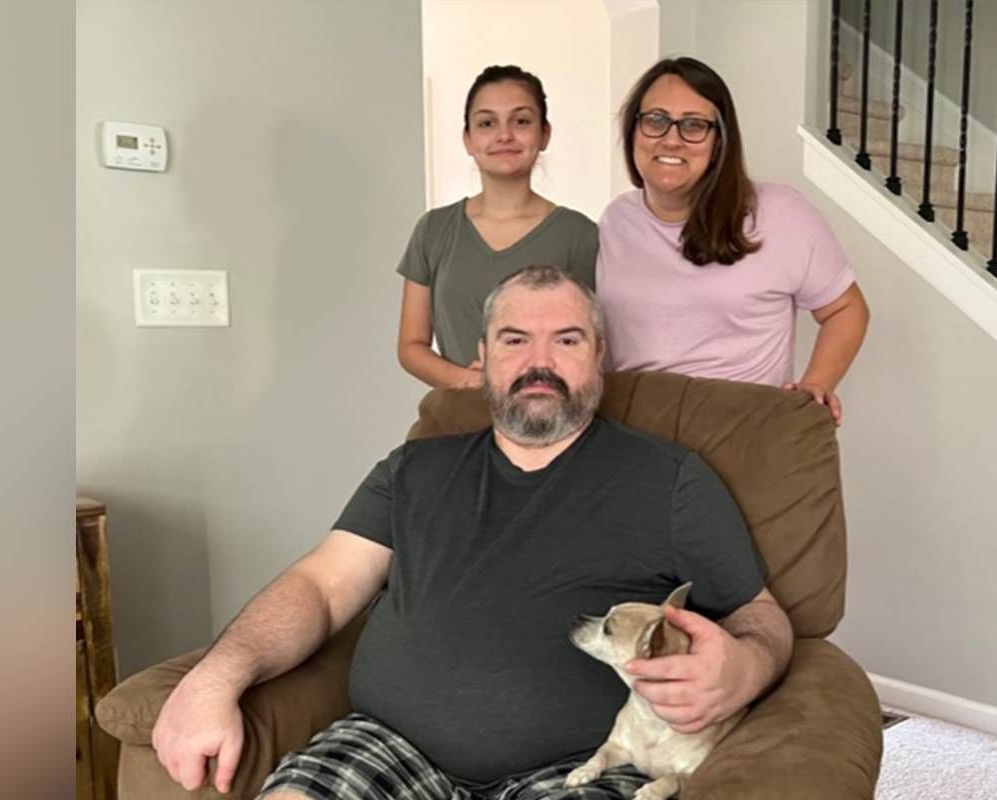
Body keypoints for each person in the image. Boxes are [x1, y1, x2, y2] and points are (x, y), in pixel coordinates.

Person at [152, 265, 794, 799]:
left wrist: (745, 668)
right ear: (482, 357)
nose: (538, 363)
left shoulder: (671, 479)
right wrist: (214, 678)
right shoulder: (414, 469)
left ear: (600, 356)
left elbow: (761, 617)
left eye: (567, 340)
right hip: (387, 744)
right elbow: (320, 586)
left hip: (580, 769)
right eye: (515, 340)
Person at [597, 57, 870, 426]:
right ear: (633, 131)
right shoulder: (616, 220)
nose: (671, 139)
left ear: (719, 141)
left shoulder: (779, 212)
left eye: (694, 125)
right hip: (635, 433)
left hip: (739, 430)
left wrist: (815, 385)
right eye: (655, 121)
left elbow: (846, 309)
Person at [397, 65, 599, 391]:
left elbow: (592, 345)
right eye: (487, 123)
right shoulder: (434, 230)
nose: (504, 135)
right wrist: (470, 381)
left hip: (550, 419)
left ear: (544, 134)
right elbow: (411, 345)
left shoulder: (580, 235)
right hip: (456, 417)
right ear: (468, 139)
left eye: (521, 121)